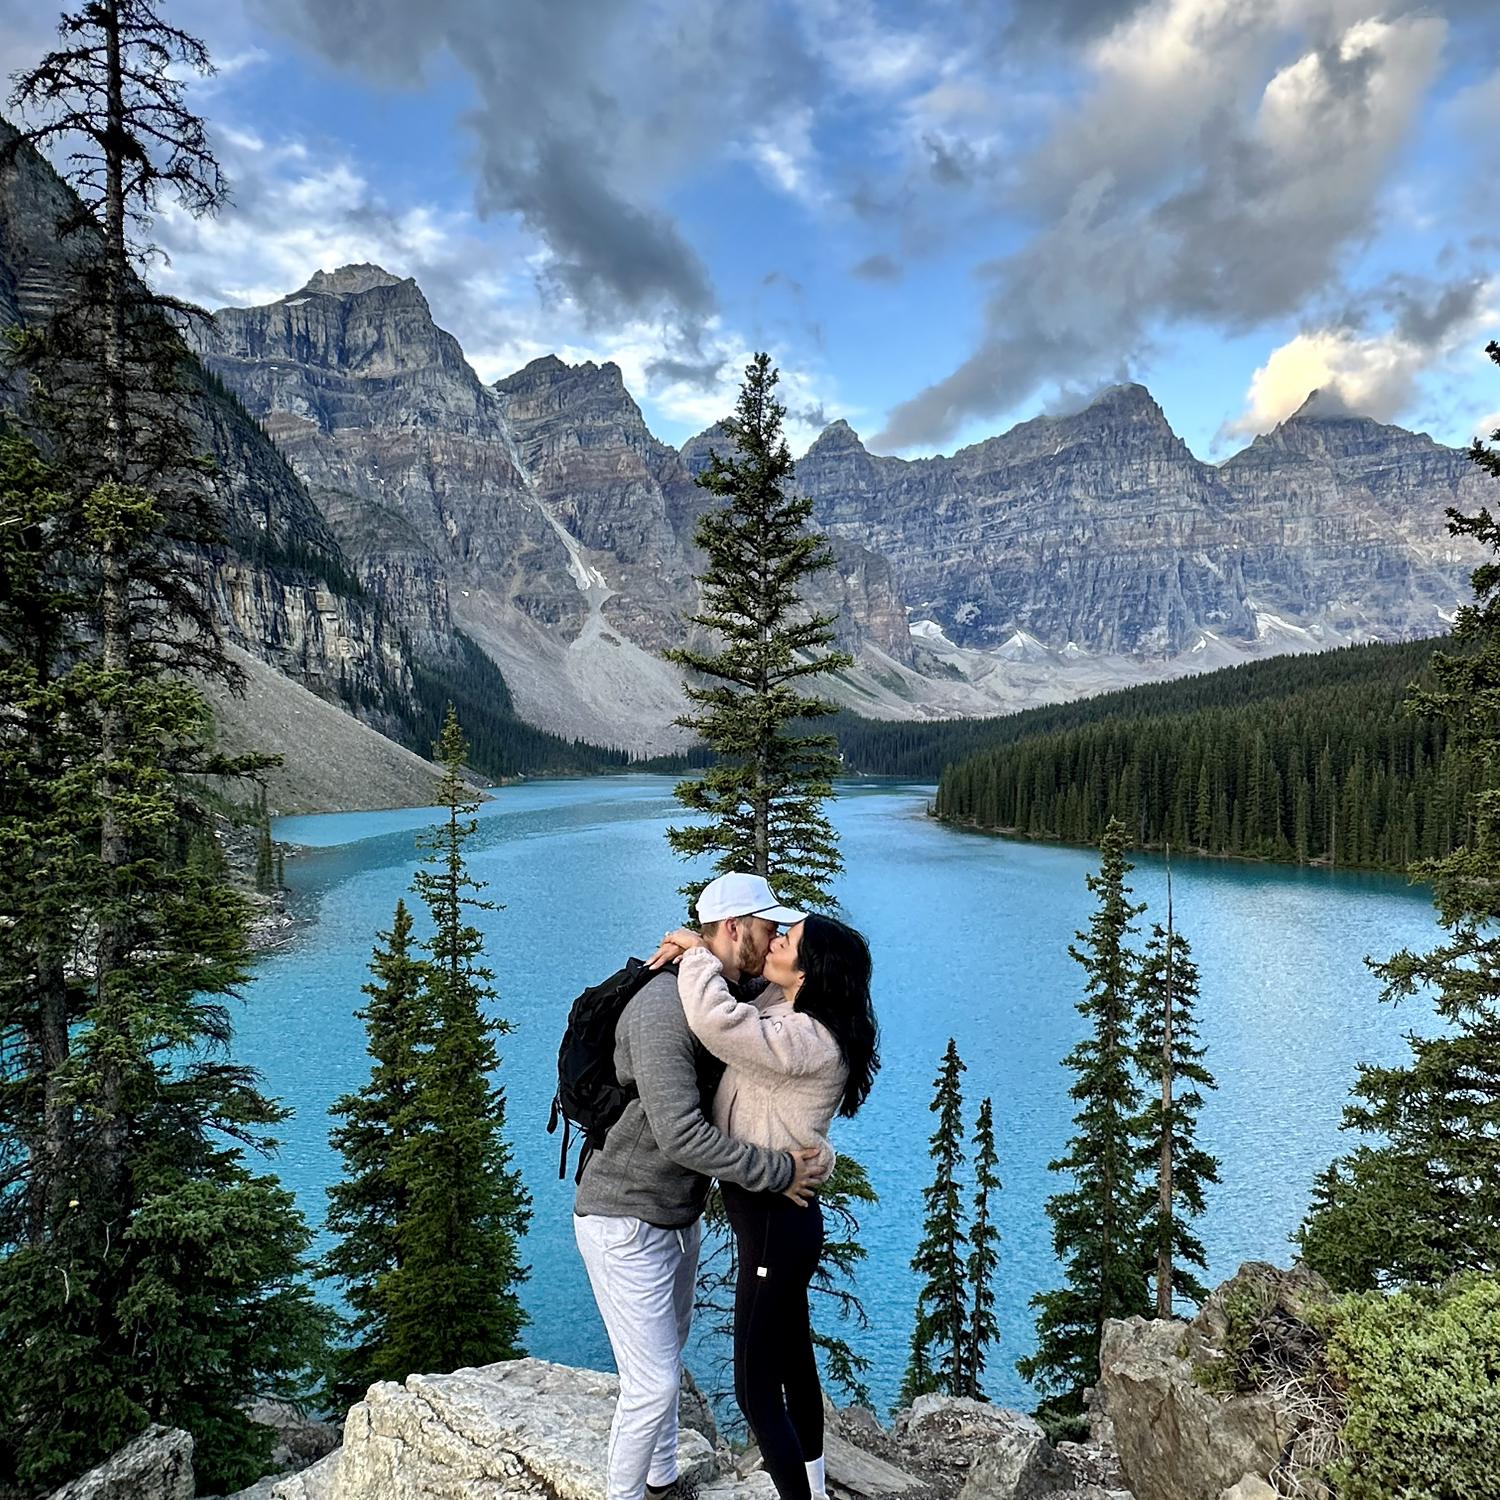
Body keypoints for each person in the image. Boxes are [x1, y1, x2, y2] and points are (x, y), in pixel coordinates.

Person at [573, 872, 830, 1500]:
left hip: (675, 1212)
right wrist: (782, 1171)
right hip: (623, 1214)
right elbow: (681, 1136)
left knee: (668, 1361)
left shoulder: (723, 985)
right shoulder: (663, 1009)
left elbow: (787, 1043)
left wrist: (696, 948)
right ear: (736, 929)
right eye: (768, 928)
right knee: (653, 1383)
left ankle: (663, 1481)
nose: (774, 942)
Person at [655, 913, 880, 1500]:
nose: (775, 940)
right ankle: (814, 1487)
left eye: (789, 941)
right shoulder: (796, 1015)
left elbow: (716, 1021)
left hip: (776, 1228)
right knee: (794, 1361)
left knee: (756, 1390)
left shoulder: (809, 1038)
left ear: (809, 971)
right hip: (783, 1222)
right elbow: (791, 1107)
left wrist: (698, 954)